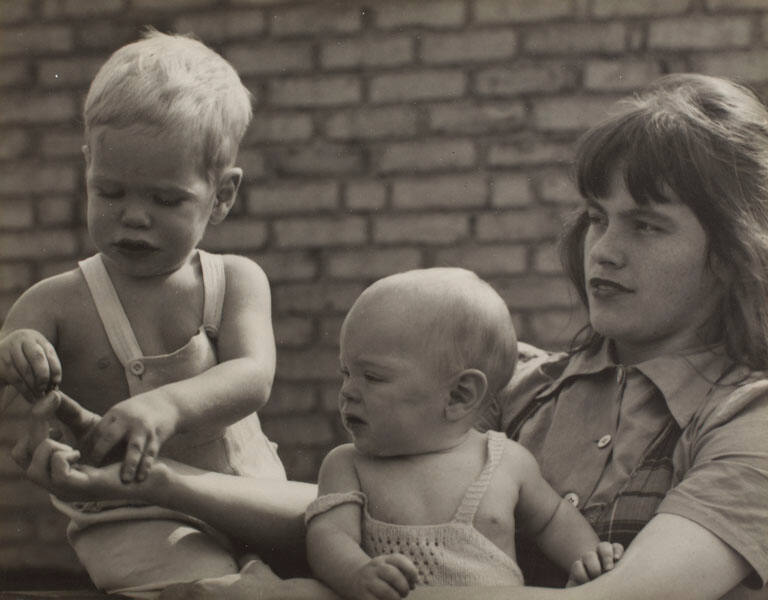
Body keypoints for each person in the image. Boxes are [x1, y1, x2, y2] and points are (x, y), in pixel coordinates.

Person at [14, 73, 768, 600]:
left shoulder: (747, 420)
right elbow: (356, 516)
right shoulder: (522, 387)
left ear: (736, 252)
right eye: (597, 215)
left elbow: (627, 598)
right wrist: (157, 483)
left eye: (647, 224)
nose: (603, 249)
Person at [0, 28, 287, 598]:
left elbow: (253, 377)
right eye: (110, 193)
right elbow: (16, 404)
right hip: (133, 520)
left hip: (250, 494)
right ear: (87, 169)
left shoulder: (236, 282)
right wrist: (18, 363)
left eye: (165, 199)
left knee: (338, 554)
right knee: (205, 588)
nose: (134, 217)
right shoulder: (55, 303)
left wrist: (167, 404)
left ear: (222, 196)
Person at [305, 268, 622, 599]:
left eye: (372, 377)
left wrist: (589, 557)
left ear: (460, 396)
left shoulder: (505, 462)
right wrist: (357, 573)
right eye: (346, 372)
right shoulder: (348, 465)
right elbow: (328, 536)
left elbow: (553, 520)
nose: (347, 392)